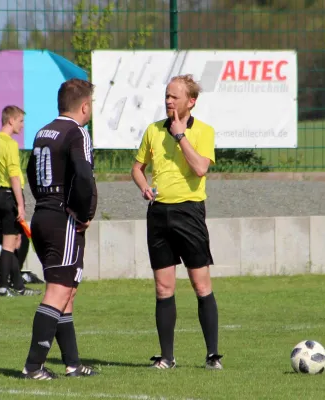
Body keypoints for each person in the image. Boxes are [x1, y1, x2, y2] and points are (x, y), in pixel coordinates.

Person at [131, 74, 222, 370]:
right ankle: (167, 357)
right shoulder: (153, 130)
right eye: (166, 95)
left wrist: (181, 136)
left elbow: (199, 169)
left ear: (191, 102)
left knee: (200, 284)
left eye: (174, 96)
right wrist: (143, 185)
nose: (168, 101)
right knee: (163, 288)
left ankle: (212, 356)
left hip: (189, 213)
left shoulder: (204, 131)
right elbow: (137, 167)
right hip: (158, 214)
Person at [21, 78, 98, 380]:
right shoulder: (77, 132)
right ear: (84, 106)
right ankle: (33, 365)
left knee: (67, 291)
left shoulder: (44, 131)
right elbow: (82, 173)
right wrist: (84, 212)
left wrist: (43, 199)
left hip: (43, 214)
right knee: (58, 290)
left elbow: (30, 170)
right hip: (63, 218)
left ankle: (73, 363)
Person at [0, 106, 41, 297]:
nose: (22, 125)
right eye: (20, 121)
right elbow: (14, 176)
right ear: (10, 120)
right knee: (9, 244)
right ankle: (3, 286)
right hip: (9, 194)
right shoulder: (10, 144)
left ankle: (18, 286)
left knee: (12, 240)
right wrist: (20, 204)